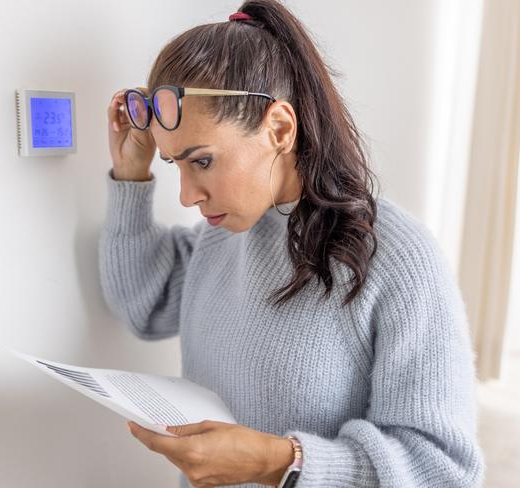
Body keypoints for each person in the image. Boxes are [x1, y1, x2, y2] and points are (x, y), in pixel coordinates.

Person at [98, 1, 485, 486]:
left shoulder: (396, 258)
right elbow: (144, 305)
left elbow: (444, 469)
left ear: (279, 129)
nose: (187, 195)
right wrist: (132, 174)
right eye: (175, 164)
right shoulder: (223, 237)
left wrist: (280, 461)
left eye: (201, 161)